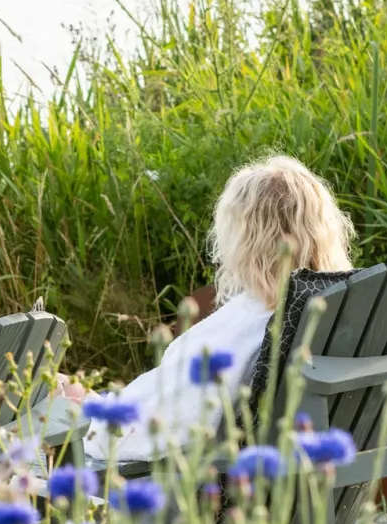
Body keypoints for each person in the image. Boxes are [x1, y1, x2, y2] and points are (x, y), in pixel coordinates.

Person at [83, 155, 355, 464]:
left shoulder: (250, 325)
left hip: (225, 494)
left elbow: (129, 436)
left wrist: (89, 412)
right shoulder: (342, 305)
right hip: (328, 485)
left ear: (244, 241)